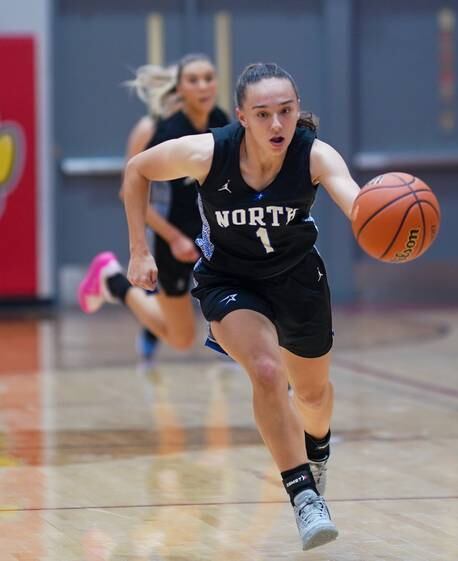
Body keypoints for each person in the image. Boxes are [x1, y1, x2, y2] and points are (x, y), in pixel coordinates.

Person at [116, 62, 360, 550]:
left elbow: (356, 203)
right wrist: (140, 250)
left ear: (297, 112)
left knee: (312, 397)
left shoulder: (315, 156)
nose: (277, 125)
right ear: (243, 116)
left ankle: (317, 454)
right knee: (268, 372)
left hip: (298, 281)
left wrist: (381, 217)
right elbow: (137, 169)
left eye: (286, 112)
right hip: (230, 281)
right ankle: (303, 497)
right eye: (264, 114)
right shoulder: (210, 151)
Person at [78, 54, 229, 365]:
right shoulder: (153, 130)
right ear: (180, 88)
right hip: (169, 238)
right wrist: (173, 238)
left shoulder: (223, 123)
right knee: (183, 339)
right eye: (193, 80)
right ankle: (113, 281)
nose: (203, 86)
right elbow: (128, 193)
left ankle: (282, 374)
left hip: (210, 239)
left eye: (209, 78)